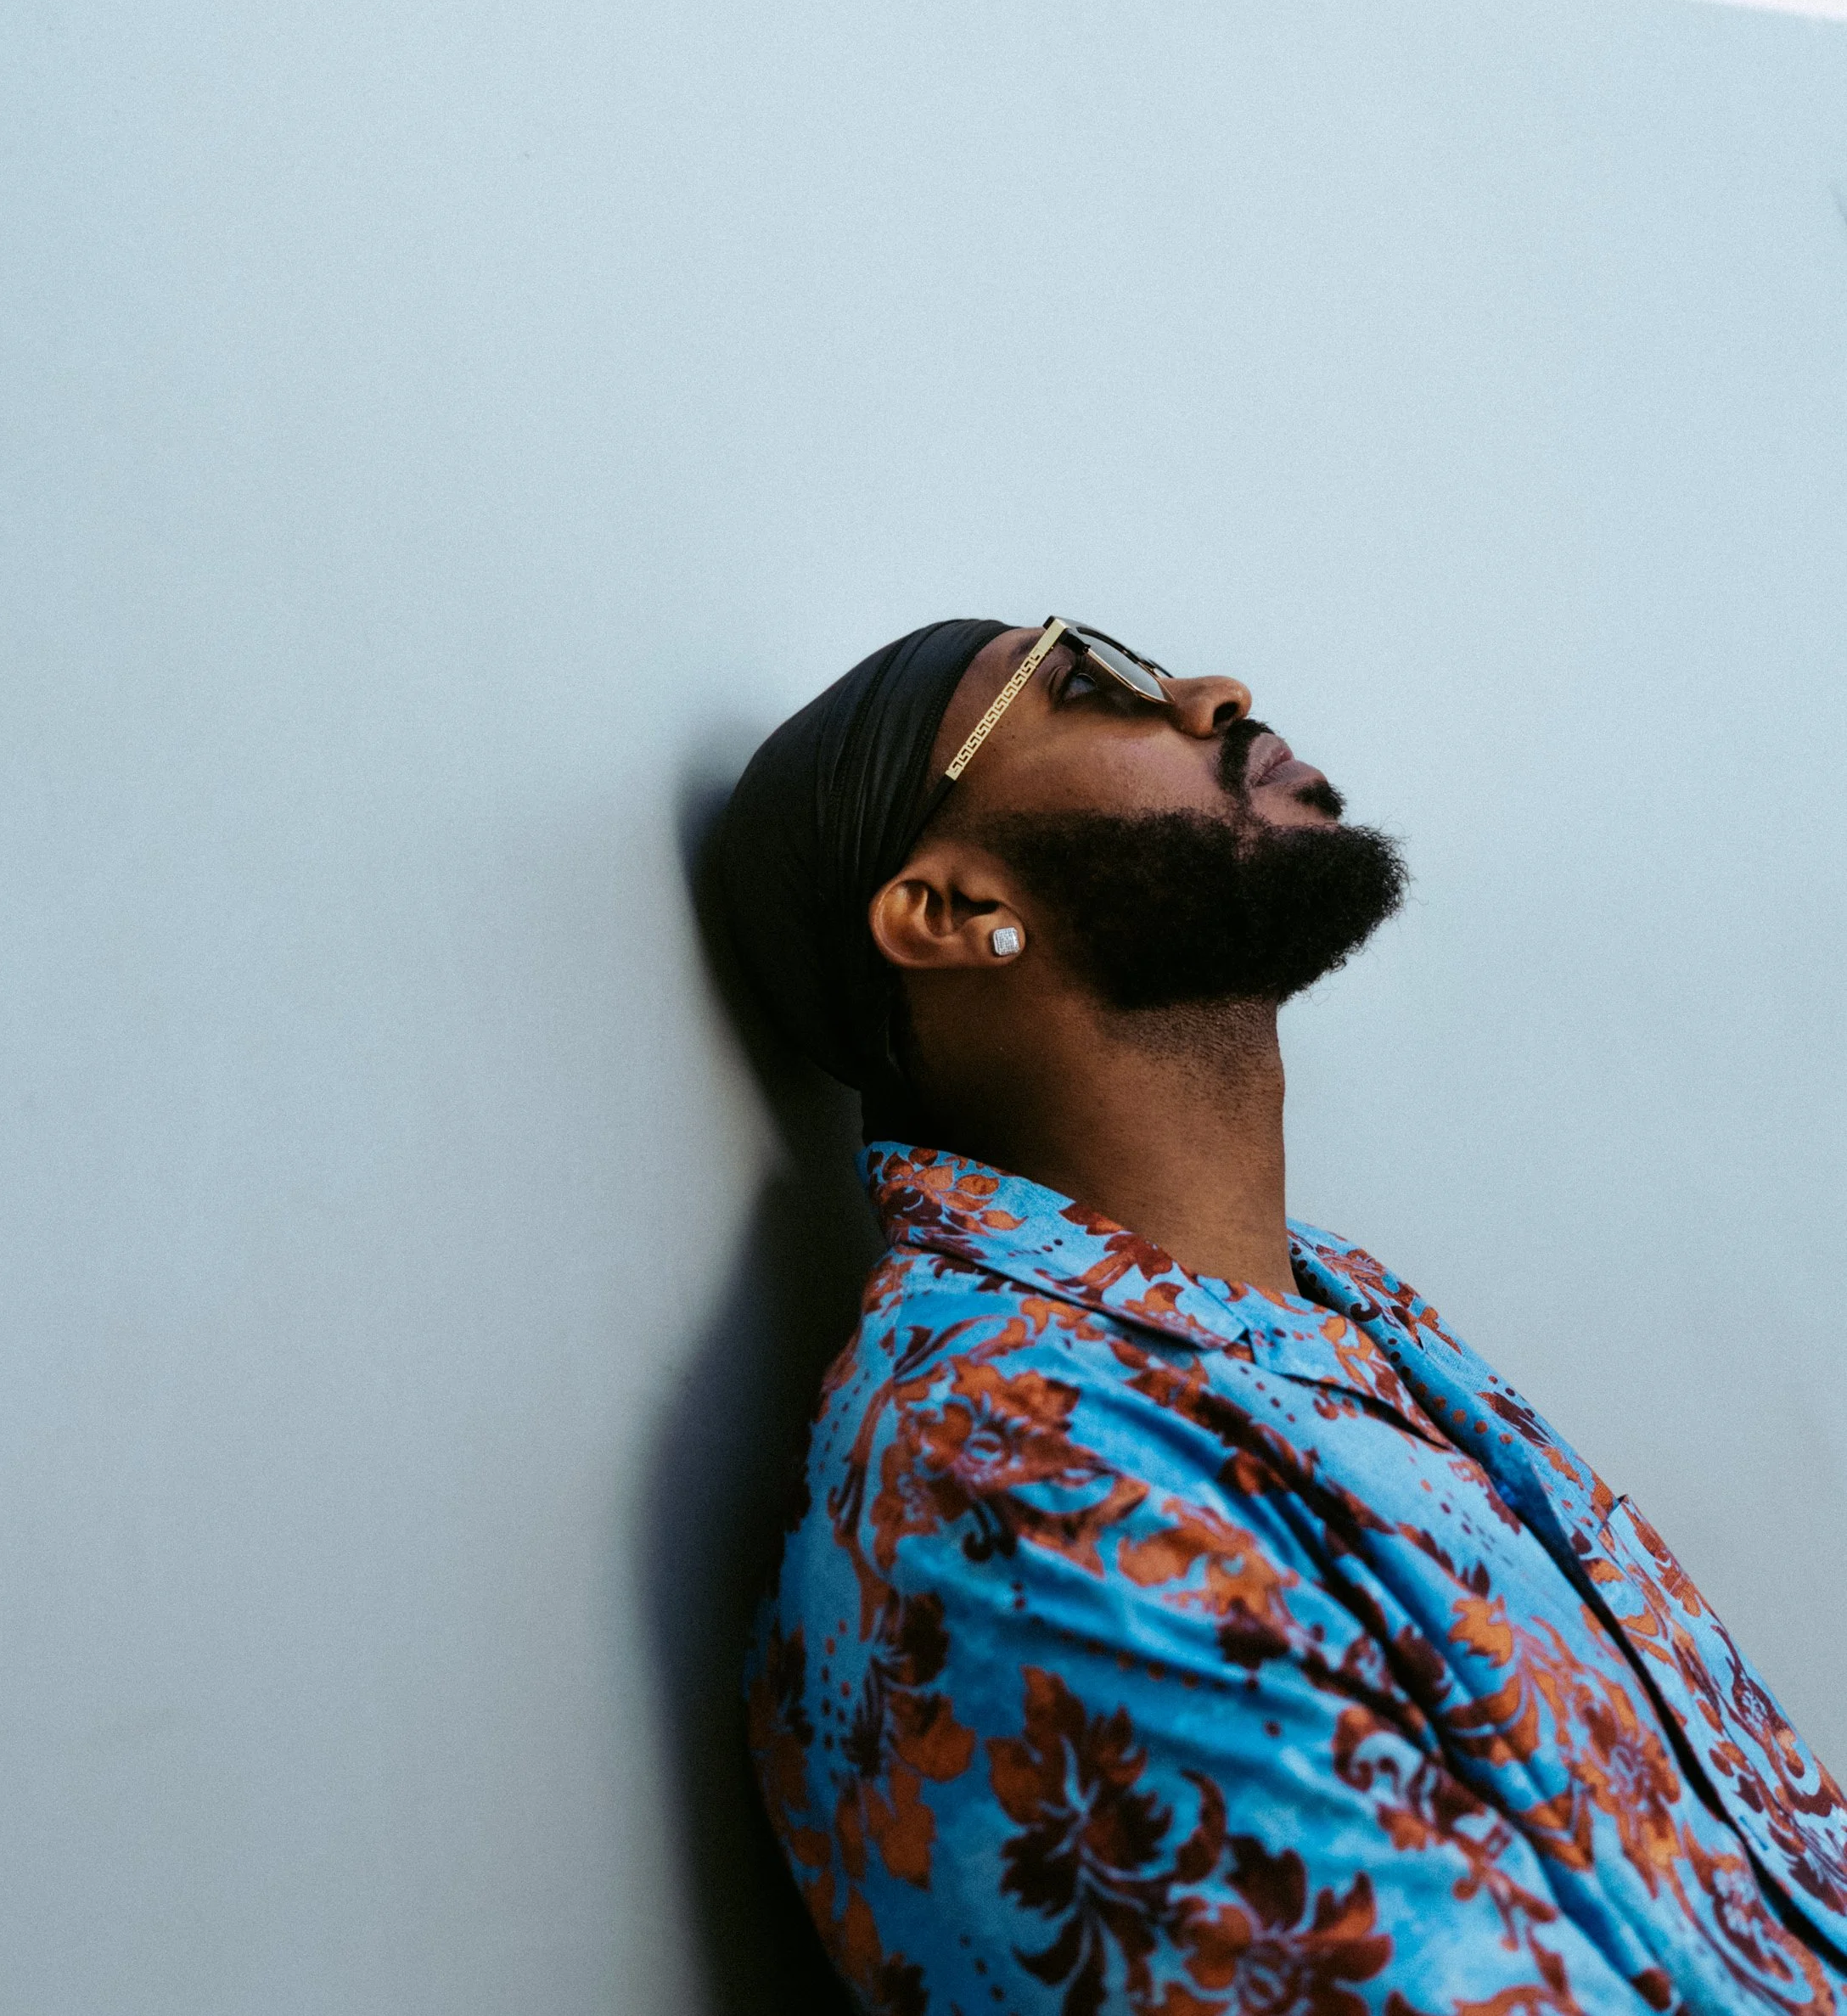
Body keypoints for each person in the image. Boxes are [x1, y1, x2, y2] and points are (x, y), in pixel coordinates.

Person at [706, 616, 1847, 2016]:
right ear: (944, 913)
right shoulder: (1008, 1465)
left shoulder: (1349, 1314)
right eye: (1088, 683)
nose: (1212, 693)